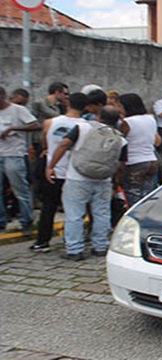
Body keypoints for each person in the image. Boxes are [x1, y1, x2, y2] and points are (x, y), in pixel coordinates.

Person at [46, 105, 127, 261]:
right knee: (102, 213)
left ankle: (74, 250)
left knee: (74, 214)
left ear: (98, 116)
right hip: (103, 180)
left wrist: (51, 166)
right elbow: (121, 164)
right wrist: (115, 183)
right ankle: (100, 246)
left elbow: (63, 144)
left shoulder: (82, 128)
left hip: (77, 177)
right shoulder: (120, 138)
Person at [30, 93, 89, 252]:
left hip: (54, 170)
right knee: (75, 210)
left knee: (48, 207)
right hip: (76, 173)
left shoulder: (50, 122)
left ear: (68, 104)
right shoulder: (88, 126)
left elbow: (45, 143)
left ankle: (42, 241)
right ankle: (73, 240)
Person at [0, 86, 41, 234]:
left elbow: (36, 125)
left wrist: (13, 129)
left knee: (20, 189)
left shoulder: (17, 110)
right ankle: (1, 221)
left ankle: (27, 220)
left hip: (14, 154)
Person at [119, 93, 161, 206]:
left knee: (134, 195)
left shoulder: (127, 122)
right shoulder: (150, 119)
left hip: (134, 162)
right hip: (151, 160)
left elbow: (120, 141)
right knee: (148, 196)